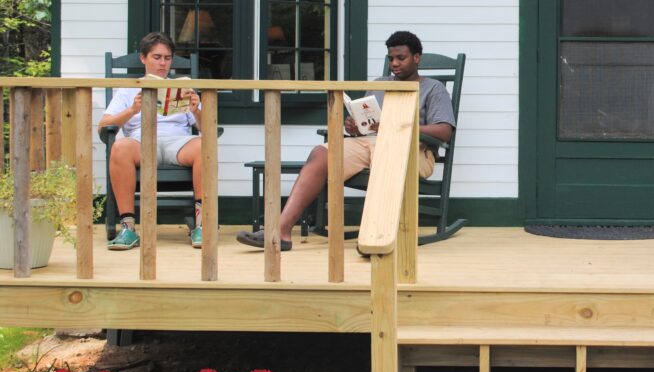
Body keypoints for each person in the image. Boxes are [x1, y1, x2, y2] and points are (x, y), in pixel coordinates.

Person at [237, 30, 454, 251]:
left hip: (412, 148)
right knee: (321, 153)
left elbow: (444, 131)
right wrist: (355, 126)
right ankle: (280, 232)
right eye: (391, 58)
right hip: (369, 142)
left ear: (416, 58)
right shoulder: (380, 84)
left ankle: (375, 237)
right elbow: (369, 123)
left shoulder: (433, 88)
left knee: (384, 153)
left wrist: (394, 125)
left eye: (401, 58)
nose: (394, 64)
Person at [99, 32, 204, 250]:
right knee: (119, 147)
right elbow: (104, 125)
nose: (163, 63)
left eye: (167, 58)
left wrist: (196, 110)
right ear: (143, 58)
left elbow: (207, 129)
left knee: (205, 146)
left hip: (178, 143)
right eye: (157, 57)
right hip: (141, 143)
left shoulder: (183, 88)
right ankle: (128, 229)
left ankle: (202, 225)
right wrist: (132, 110)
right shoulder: (129, 90)